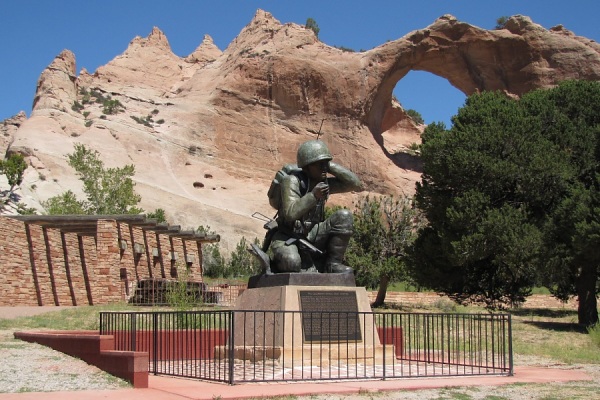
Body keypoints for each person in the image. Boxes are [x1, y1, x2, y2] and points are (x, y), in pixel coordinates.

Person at [268, 139, 362, 274]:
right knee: (292, 263)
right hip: (288, 236)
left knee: (344, 216)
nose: (324, 168)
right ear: (307, 166)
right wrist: (313, 195)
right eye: (319, 164)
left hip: (313, 233)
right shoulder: (292, 181)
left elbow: (355, 184)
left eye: (325, 163)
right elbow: (290, 213)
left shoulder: (322, 182)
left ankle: (333, 264)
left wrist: (329, 165)